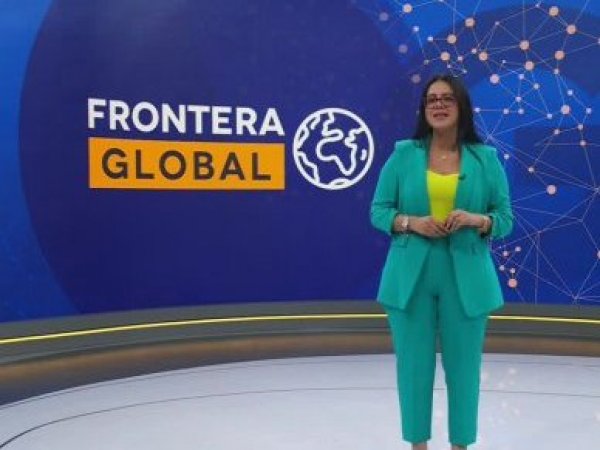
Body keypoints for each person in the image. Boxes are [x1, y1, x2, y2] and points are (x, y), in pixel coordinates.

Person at [370, 74, 513, 450]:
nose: (438, 104)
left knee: (464, 372)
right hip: (410, 279)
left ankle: (460, 446)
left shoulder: (485, 159)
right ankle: (418, 446)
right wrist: (410, 223)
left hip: (467, 280)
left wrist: (478, 220)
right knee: (413, 370)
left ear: (461, 106)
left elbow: (505, 219)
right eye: (431, 99)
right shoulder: (403, 155)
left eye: (446, 98)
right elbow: (379, 210)